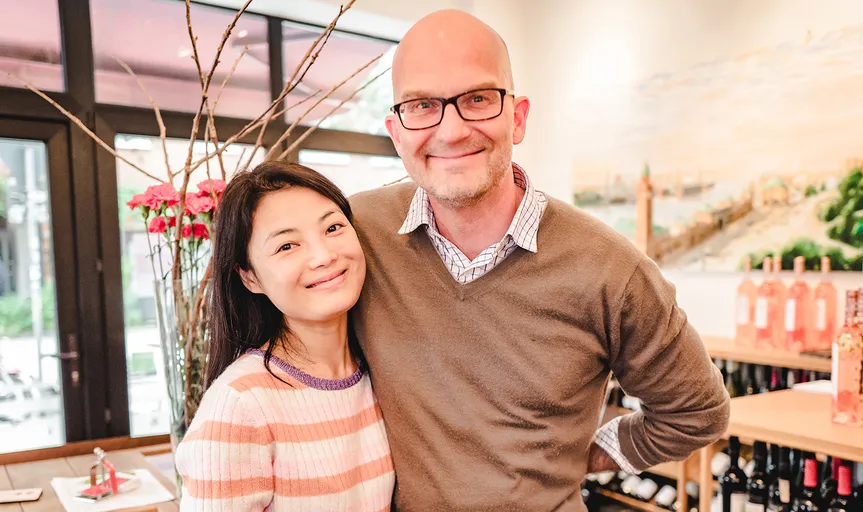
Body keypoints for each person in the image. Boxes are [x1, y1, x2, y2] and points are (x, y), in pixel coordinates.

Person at [348, 9, 730, 511]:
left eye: (477, 99)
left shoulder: (611, 270)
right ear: (396, 131)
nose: (452, 129)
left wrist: (582, 456)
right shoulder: (354, 233)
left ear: (518, 117)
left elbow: (697, 412)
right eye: (422, 105)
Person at [174, 162, 394, 511]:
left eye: (333, 227)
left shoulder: (377, 371)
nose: (323, 256)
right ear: (250, 278)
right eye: (287, 246)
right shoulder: (240, 406)